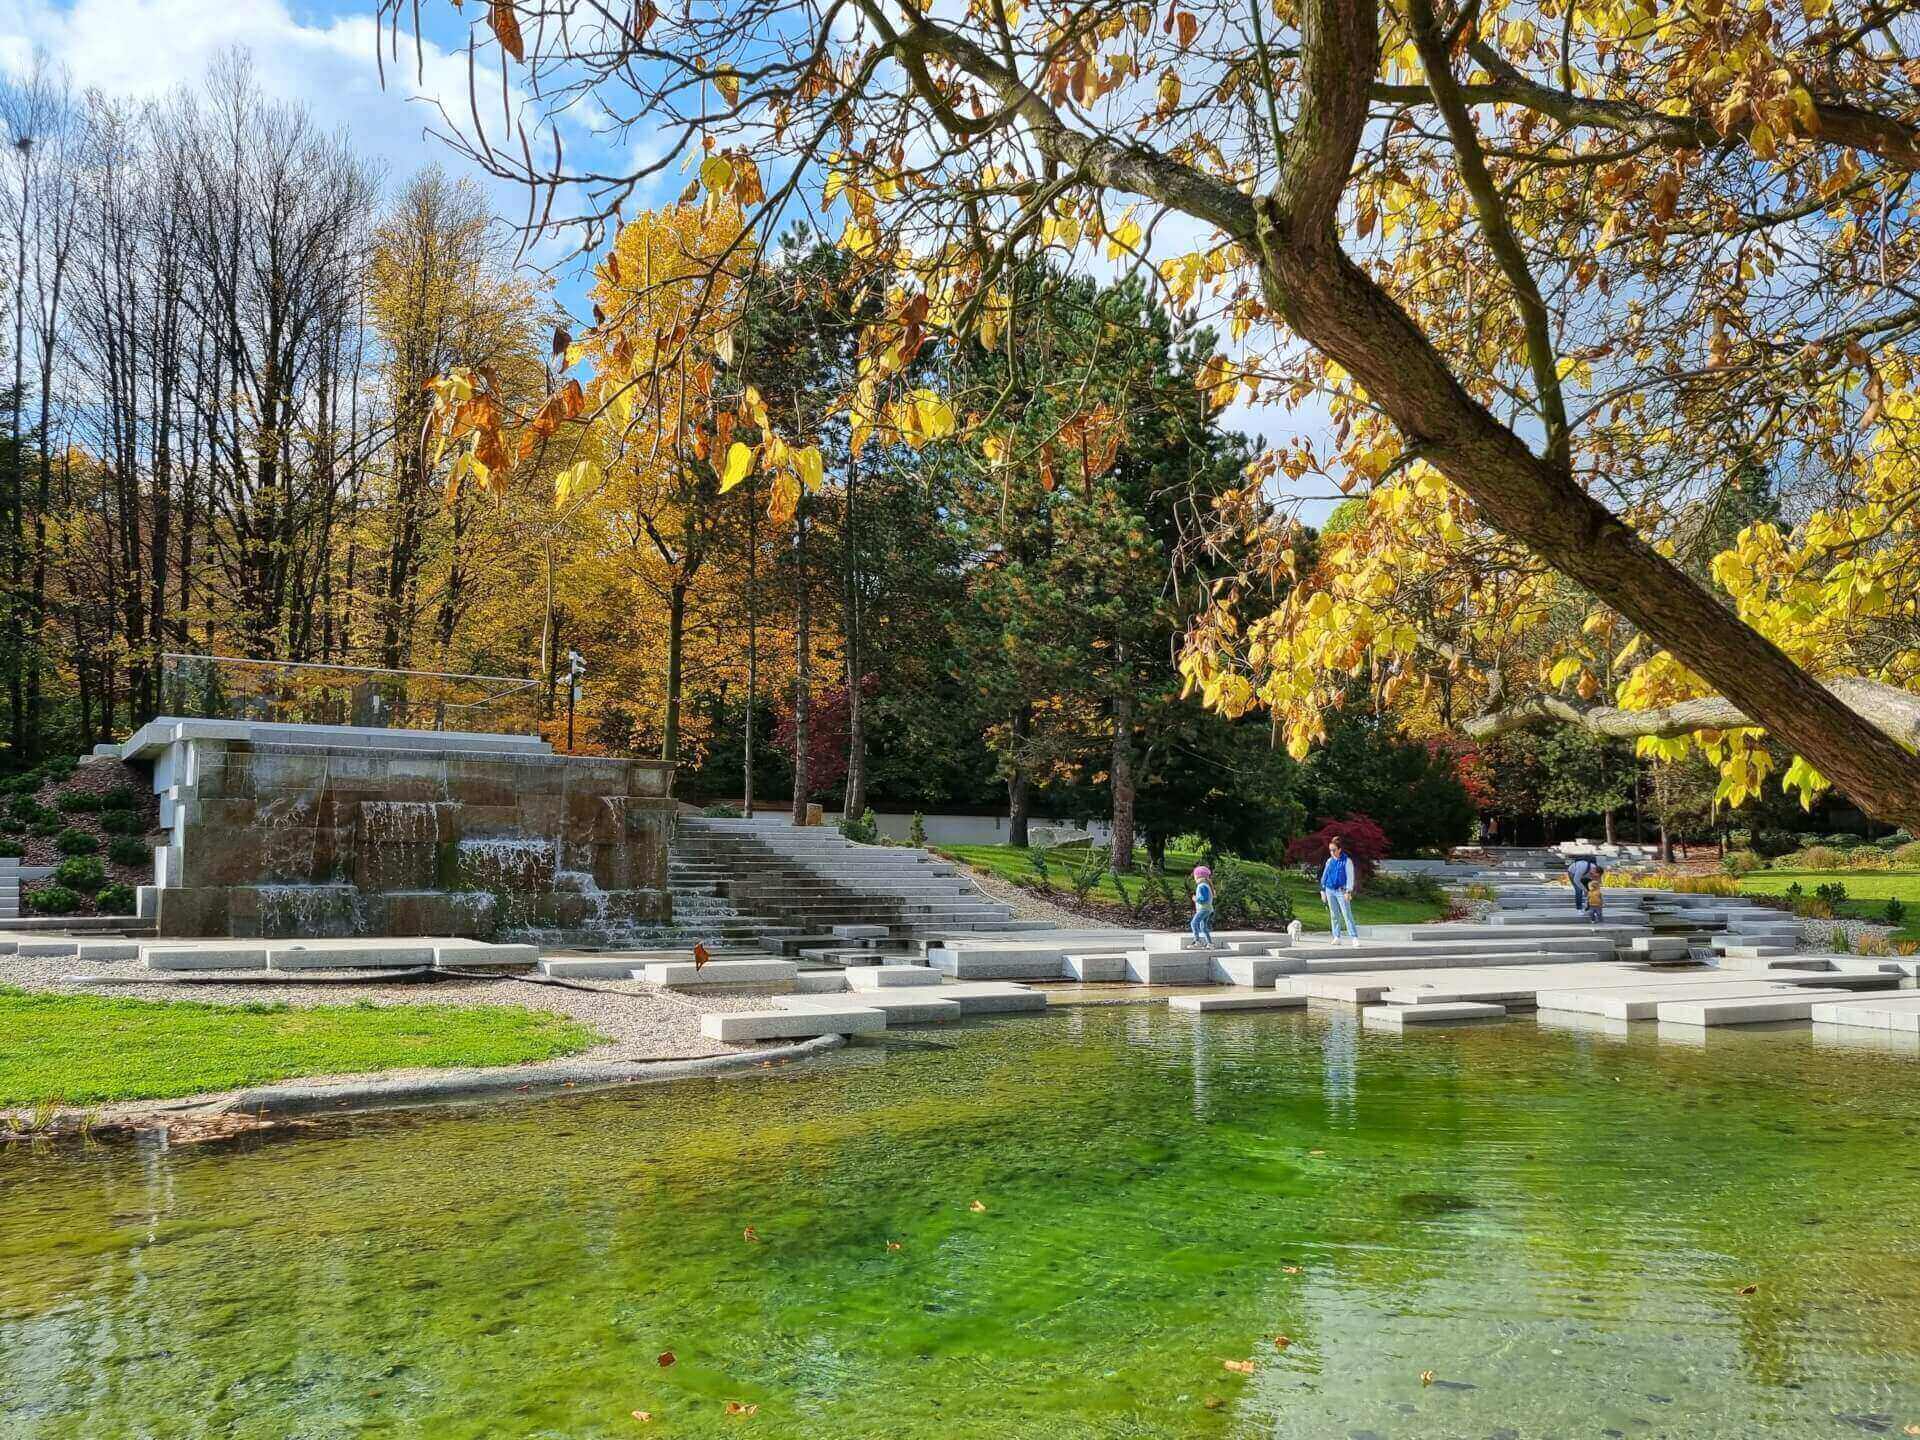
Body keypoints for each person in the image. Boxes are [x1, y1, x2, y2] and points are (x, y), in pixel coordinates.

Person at [1320, 837, 1359, 946]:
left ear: (1339, 849)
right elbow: (1325, 875)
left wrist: (1348, 891)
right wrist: (1322, 890)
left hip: (1341, 891)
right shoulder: (1329, 861)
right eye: (1330, 850)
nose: (1332, 852)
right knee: (1334, 914)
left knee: (1347, 914)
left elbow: (1350, 877)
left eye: (1334, 850)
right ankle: (1336, 936)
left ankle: (1354, 937)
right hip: (1329, 890)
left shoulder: (1347, 861)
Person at [1188, 865, 1215, 949]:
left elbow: (1204, 899)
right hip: (1208, 909)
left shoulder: (1202, 886)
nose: (1194, 878)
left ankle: (1197, 942)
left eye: (1195, 876)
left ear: (1199, 876)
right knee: (1203, 927)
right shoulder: (1206, 885)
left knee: (1193, 923)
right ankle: (1210, 944)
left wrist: (1196, 899)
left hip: (1204, 909)